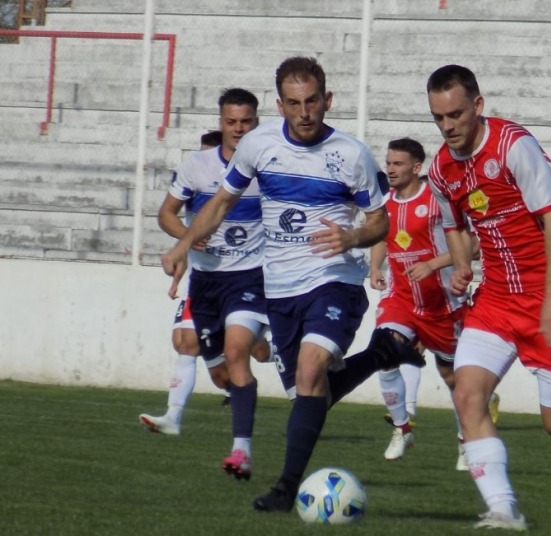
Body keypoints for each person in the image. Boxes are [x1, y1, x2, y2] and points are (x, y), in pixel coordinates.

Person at [160, 57, 425, 512]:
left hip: (333, 278)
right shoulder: (258, 145)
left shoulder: (351, 154)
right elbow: (223, 200)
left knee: (309, 372)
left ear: (327, 100)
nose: (304, 112)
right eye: (294, 103)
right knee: (308, 392)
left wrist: (353, 236)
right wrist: (184, 243)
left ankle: (285, 488)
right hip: (278, 287)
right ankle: (382, 352)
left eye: (313, 101)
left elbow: (379, 221)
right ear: (280, 105)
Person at [425, 65, 551, 531]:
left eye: (456, 114)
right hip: (496, 299)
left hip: (548, 294)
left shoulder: (512, 146)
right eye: (439, 117)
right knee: (467, 395)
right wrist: (462, 266)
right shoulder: (441, 168)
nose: (448, 126)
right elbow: (455, 224)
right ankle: (504, 509)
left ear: (478, 106)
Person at [142, 88, 271, 482]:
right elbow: (166, 213)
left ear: (256, 122)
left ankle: (241, 451)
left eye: (246, 122)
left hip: (251, 276)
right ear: (221, 123)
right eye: (231, 122)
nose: (238, 129)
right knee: (220, 373)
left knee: (236, 353)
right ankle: (271, 345)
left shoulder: (267, 167)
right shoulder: (196, 166)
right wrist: (186, 237)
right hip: (206, 283)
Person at [369, 137, 499, 467]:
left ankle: (465, 441)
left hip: (443, 303)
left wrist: (432, 265)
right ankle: (402, 428)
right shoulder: (385, 201)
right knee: (383, 354)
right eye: (388, 163)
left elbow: (471, 245)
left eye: (398, 164)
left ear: (416, 168)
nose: (390, 169)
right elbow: (380, 235)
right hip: (402, 299)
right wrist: (374, 266)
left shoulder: (437, 198)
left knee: (455, 378)